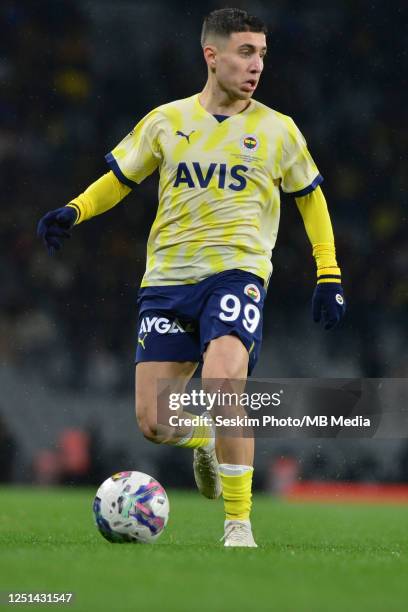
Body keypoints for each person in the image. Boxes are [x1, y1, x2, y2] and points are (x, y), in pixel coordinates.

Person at [37, 8, 345, 547]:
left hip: (237, 273)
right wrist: (75, 209)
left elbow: (311, 200)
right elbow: (121, 177)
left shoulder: (278, 131)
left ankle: (238, 525)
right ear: (212, 55)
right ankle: (204, 439)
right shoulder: (167, 120)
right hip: (167, 281)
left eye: (262, 55)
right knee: (154, 423)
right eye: (246, 53)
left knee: (226, 384)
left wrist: (329, 271)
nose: (257, 66)